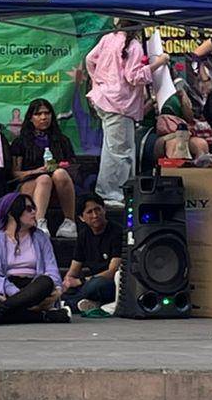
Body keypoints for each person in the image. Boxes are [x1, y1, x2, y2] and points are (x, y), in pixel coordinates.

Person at [85, 21, 169, 205]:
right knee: (119, 152)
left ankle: (112, 191)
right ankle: (110, 193)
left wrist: (98, 81)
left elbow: (89, 60)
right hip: (119, 104)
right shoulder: (134, 46)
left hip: (105, 99)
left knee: (113, 149)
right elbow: (134, 77)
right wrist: (158, 63)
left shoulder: (108, 38)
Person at [0, 191, 67, 325]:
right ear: (11, 213)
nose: (34, 213)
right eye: (28, 209)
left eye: (34, 208)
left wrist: (57, 289)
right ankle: (46, 316)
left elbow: (51, 269)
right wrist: (19, 295)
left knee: (46, 281)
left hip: (35, 288)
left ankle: (0, 311)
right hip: (4, 289)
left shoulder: (40, 237)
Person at [11, 98, 77, 239]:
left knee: (59, 174)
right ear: (30, 118)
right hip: (30, 183)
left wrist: (60, 166)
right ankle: (38, 222)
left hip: (59, 186)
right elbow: (14, 174)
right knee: (44, 179)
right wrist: (36, 171)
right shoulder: (20, 142)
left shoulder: (62, 140)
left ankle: (69, 222)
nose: (43, 117)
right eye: (38, 114)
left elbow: (73, 166)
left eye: (47, 113)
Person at [60, 194, 122, 315]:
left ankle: (67, 305)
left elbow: (113, 270)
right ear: (81, 218)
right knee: (65, 289)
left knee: (95, 285)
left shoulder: (117, 232)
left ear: (104, 210)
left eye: (98, 209)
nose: (95, 215)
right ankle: (88, 303)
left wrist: (82, 281)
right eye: (89, 212)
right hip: (90, 283)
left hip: (109, 281)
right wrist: (66, 283)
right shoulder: (83, 235)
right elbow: (73, 270)